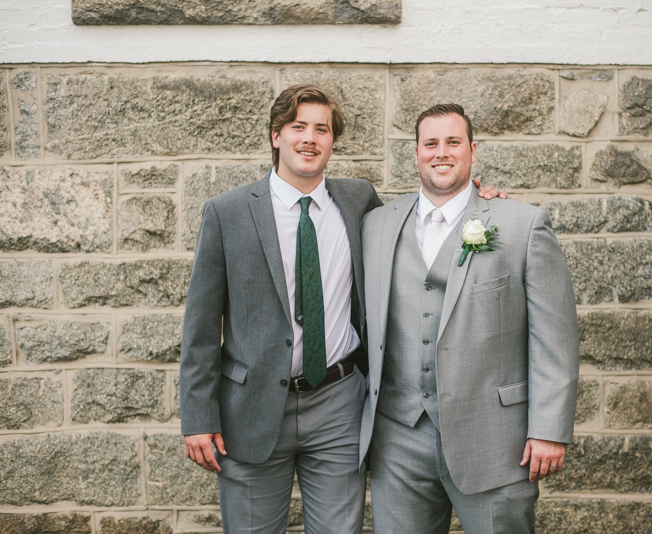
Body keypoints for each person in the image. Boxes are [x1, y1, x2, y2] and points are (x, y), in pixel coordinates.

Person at [180, 86, 503, 534]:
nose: (309, 139)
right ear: (276, 136)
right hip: (251, 408)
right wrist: (198, 417)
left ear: (332, 141)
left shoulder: (359, 203)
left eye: (322, 129)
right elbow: (199, 327)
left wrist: (480, 203)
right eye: (298, 127)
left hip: (339, 406)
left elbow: (426, 215)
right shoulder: (226, 213)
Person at [358, 103, 580, 533]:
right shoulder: (376, 224)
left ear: (473, 151)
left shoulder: (523, 225)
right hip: (399, 438)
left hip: (497, 440)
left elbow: (555, 336)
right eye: (431, 143)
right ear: (417, 153)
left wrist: (550, 429)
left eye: (453, 142)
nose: (442, 153)